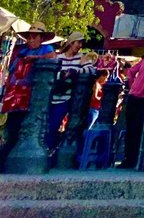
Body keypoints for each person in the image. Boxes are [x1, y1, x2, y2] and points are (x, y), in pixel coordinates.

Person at [0, 22, 56, 165]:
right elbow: (12, 72)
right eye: (29, 37)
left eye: (34, 37)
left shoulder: (46, 49)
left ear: (41, 38)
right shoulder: (22, 52)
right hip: (15, 96)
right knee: (12, 127)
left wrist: (35, 59)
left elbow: (53, 56)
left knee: (24, 127)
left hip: (32, 96)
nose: (31, 40)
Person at [46, 30, 90, 149]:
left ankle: (51, 148)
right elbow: (52, 72)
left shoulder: (81, 58)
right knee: (48, 125)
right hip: (54, 95)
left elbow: (90, 70)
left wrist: (74, 72)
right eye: (78, 43)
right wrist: (63, 75)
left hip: (67, 97)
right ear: (71, 43)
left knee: (55, 124)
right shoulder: (59, 57)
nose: (80, 46)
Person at [120, 45, 144, 169]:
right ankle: (128, 157)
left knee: (138, 129)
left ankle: (134, 158)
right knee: (130, 128)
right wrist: (133, 84)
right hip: (134, 96)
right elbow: (131, 72)